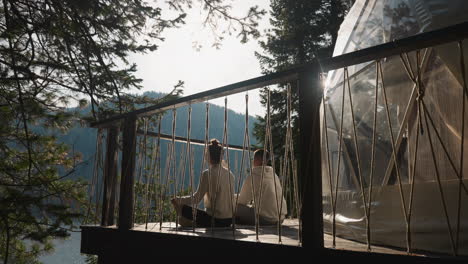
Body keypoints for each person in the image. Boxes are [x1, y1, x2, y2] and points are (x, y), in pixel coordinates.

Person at [171, 139, 235, 228]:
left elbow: (196, 199)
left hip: (215, 220)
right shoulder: (230, 174)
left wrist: (178, 199)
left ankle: (192, 224)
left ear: (207, 156)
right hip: (229, 220)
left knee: (182, 207)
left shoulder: (207, 173)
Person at [236, 149, 287, 225]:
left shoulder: (254, 176)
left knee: (235, 207)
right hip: (280, 219)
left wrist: (232, 198)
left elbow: (242, 200)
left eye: (253, 158)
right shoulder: (273, 175)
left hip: (265, 219)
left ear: (257, 160)